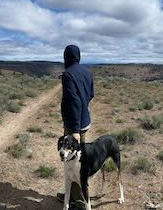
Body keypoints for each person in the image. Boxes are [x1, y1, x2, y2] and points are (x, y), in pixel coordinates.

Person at [60, 44, 94, 207]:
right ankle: (79, 194)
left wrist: (74, 130)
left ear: (66, 57)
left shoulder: (67, 75)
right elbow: (91, 95)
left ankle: (77, 199)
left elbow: (73, 102)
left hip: (75, 126)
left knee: (73, 161)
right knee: (79, 159)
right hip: (85, 121)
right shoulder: (87, 72)